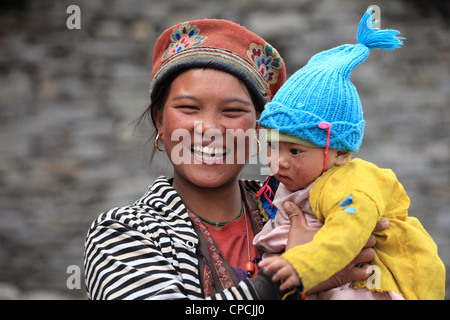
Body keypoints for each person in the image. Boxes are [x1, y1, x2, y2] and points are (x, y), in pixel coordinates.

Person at [84, 18, 388, 300]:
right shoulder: (123, 234)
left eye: (232, 112)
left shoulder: (308, 208)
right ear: (160, 122)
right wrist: (288, 278)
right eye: (189, 108)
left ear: (258, 130)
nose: (211, 130)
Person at [255, 9, 446, 300]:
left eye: (295, 150)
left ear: (341, 153)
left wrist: (300, 265)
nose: (278, 161)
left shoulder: (352, 185)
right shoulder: (292, 182)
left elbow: (346, 233)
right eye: (272, 146)